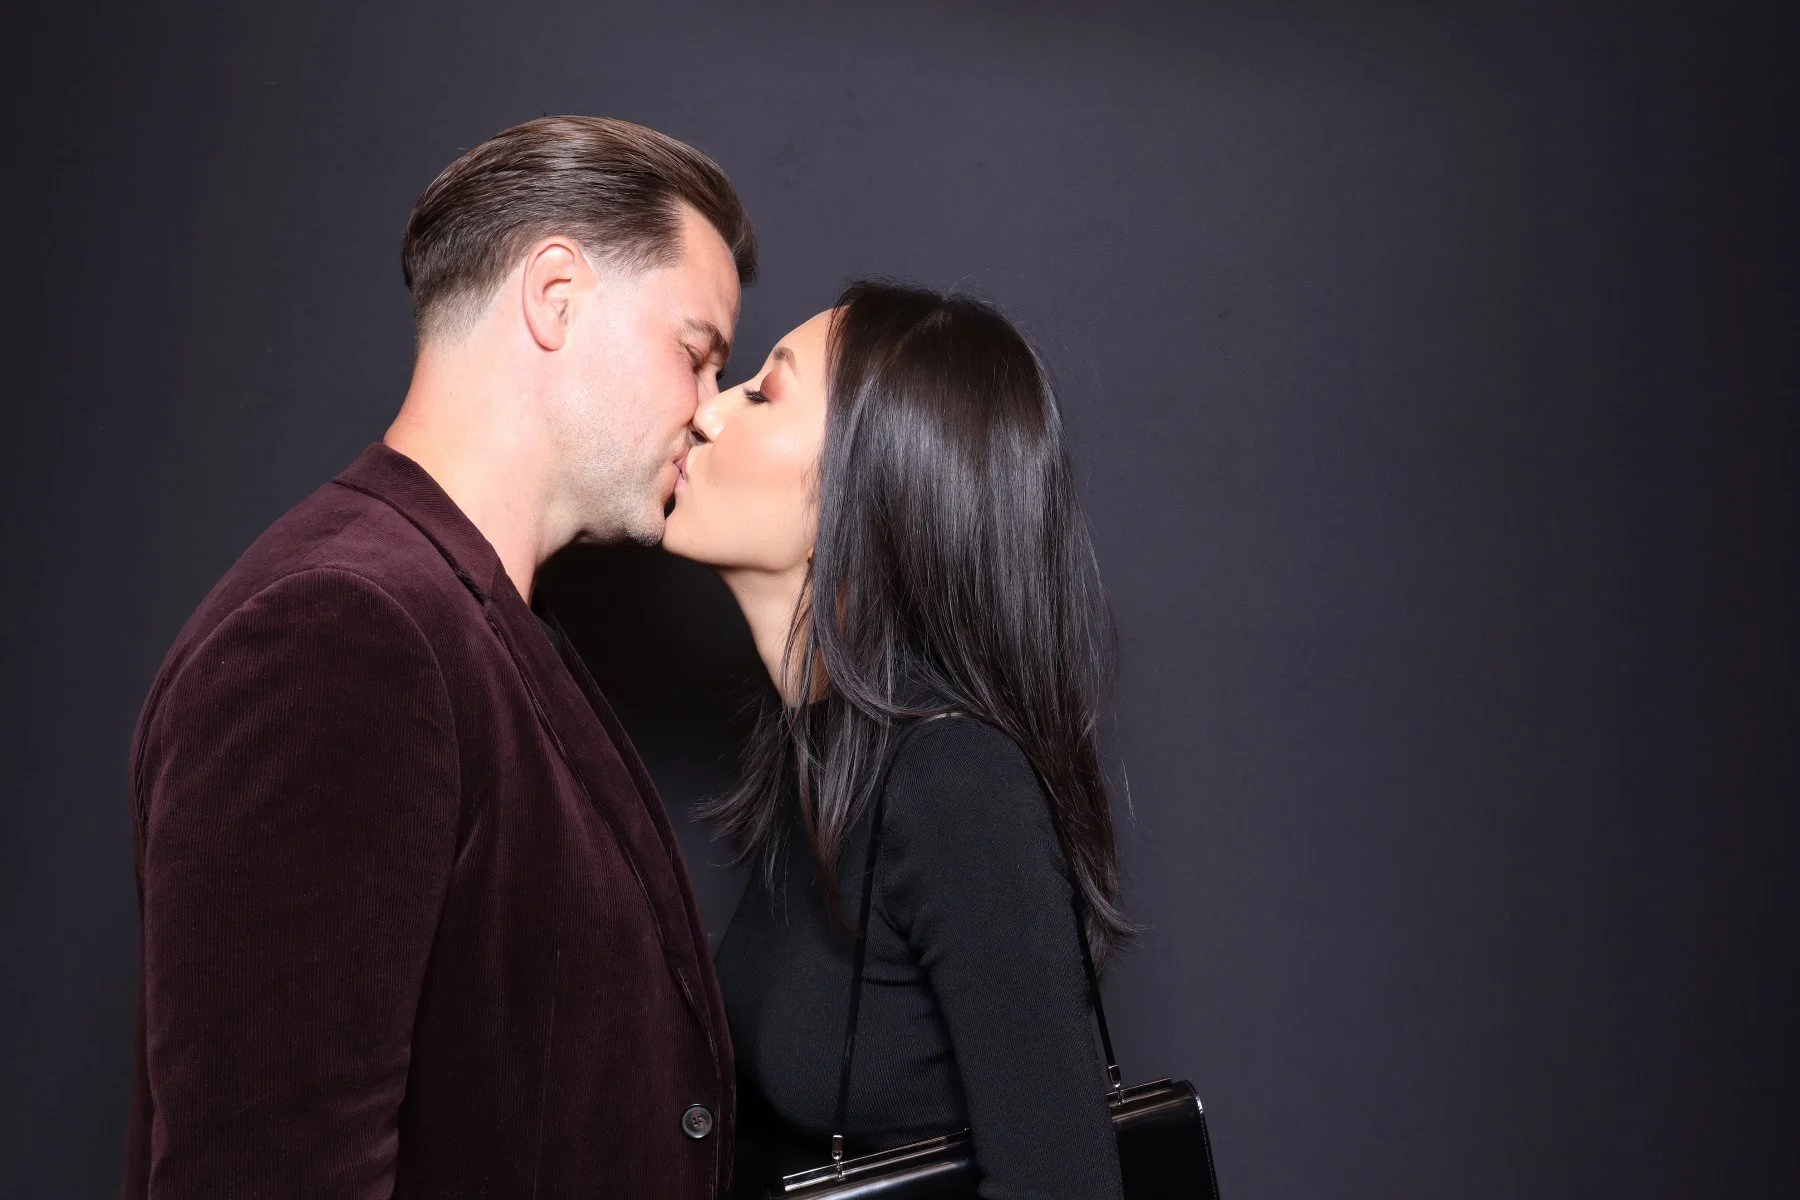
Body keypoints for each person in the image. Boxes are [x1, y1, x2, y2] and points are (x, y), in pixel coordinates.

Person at [125, 116, 755, 1198]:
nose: (708, 415)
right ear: (556, 298)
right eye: (696, 354)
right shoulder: (340, 630)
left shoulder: (481, 615)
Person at [662, 282, 1133, 1199]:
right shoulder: (824, 753)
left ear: (872, 479)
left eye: (763, 393)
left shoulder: (953, 781)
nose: (708, 412)